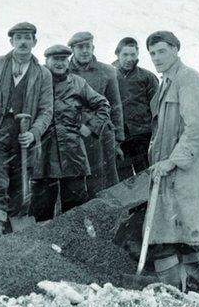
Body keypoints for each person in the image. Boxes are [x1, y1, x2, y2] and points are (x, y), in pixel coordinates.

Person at [0, 22, 53, 235]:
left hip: (24, 139)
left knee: (20, 187)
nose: (23, 42)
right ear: (11, 42)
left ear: (35, 42)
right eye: (19, 38)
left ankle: (12, 241)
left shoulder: (43, 74)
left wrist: (34, 133)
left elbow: (46, 111)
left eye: (28, 37)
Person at [145, 31, 199, 291]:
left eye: (162, 51)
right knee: (165, 236)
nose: (156, 58)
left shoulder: (188, 79)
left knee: (188, 236)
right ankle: (174, 292)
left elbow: (196, 128)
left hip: (183, 172)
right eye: (152, 53)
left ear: (176, 50)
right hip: (166, 171)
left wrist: (173, 161)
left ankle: (195, 290)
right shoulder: (167, 82)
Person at [31, 44, 111, 221]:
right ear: (47, 61)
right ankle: (40, 246)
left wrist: (90, 127)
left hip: (73, 153)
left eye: (63, 59)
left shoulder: (78, 83)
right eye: (55, 59)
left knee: (74, 211)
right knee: (41, 210)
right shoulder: (36, 81)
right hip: (42, 154)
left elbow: (103, 105)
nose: (60, 63)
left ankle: (71, 245)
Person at [68, 31, 124, 196]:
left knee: (104, 179)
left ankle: (110, 215)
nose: (85, 51)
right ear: (72, 49)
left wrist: (118, 139)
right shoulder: (63, 71)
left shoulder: (107, 71)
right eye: (80, 47)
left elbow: (115, 105)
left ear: (93, 47)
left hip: (101, 133)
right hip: (73, 132)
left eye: (88, 46)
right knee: (75, 181)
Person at [112, 37, 159, 179]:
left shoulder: (147, 77)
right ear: (118, 54)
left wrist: (156, 136)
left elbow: (158, 109)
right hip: (119, 138)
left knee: (146, 178)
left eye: (133, 55)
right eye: (125, 55)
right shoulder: (109, 75)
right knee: (122, 182)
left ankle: (148, 202)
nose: (129, 59)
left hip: (143, 138)